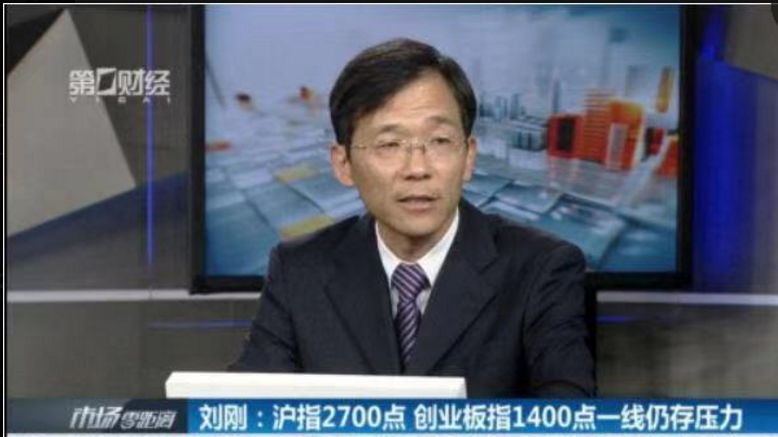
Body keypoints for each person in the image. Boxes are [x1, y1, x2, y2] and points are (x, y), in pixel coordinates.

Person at [230, 38, 595, 397]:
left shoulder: (541, 268)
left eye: (439, 141)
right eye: (390, 144)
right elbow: (243, 408)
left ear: (468, 157)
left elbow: (566, 412)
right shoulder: (298, 270)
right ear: (343, 164)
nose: (417, 169)